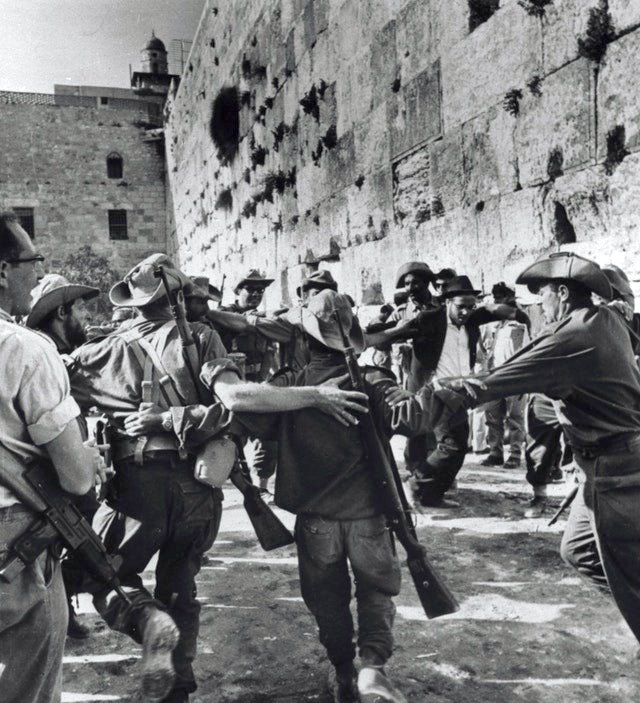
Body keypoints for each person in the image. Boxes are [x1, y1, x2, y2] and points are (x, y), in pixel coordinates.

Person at [69, 254, 368, 703]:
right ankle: (178, 689)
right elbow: (235, 399)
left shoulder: (100, 351)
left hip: (137, 489)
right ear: (179, 297)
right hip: (197, 486)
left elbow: (50, 389)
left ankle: (147, 621)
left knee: (102, 575)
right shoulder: (203, 339)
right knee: (180, 589)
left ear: (134, 302)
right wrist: (313, 395)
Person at [218, 290, 432, 703]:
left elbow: (241, 415)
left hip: (316, 522)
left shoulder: (288, 386)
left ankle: (342, 673)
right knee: (376, 592)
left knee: (327, 599)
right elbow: (413, 418)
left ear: (304, 335)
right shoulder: (372, 381)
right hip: (370, 517)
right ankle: (373, 669)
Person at [439, 252, 640, 646]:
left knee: (631, 578)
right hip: (602, 465)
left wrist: (427, 397)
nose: (539, 306)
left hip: (615, 471)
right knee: (580, 550)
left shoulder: (570, 335)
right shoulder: (607, 319)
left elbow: (492, 381)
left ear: (562, 293)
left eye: (543, 296)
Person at [0, 211, 100, 703]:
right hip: (14, 542)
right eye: (31, 260)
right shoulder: (24, 349)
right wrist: (91, 460)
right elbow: (78, 479)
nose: (36, 273)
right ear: (2, 271)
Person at [379, 275, 530, 508]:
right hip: (436, 392)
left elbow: (494, 310)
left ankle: (430, 494)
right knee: (448, 445)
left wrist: (521, 315)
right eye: (461, 307)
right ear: (448, 301)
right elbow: (394, 333)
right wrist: (370, 339)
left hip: (460, 393)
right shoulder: (430, 320)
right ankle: (416, 486)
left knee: (457, 449)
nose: (466, 312)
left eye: (471, 307)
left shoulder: (471, 319)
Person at [26, 273, 101, 639]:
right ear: (60, 312)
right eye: (81, 307)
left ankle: (64, 608)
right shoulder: (42, 356)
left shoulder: (52, 353)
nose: (88, 315)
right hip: (48, 478)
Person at [218, 269, 279, 493]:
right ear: (237, 291)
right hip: (231, 385)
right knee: (231, 438)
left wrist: (265, 379)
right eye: (250, 289)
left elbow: (270, 352)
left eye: (260, 290)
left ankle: (262, 487)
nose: (255, 294)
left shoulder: (262, 319)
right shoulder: (224, 315)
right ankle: (228, 485)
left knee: (269, 436)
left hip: (257, 383)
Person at [480, 282, 530, 468]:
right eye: (495, 298)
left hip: (514, 375)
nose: (496, 301)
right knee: (492, 416)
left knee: (515, 417)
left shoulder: (520, 321)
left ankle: (515, 454)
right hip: (495, 374)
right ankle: (495, 452)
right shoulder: (498, 324)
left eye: (500, 297)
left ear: (510, 297)